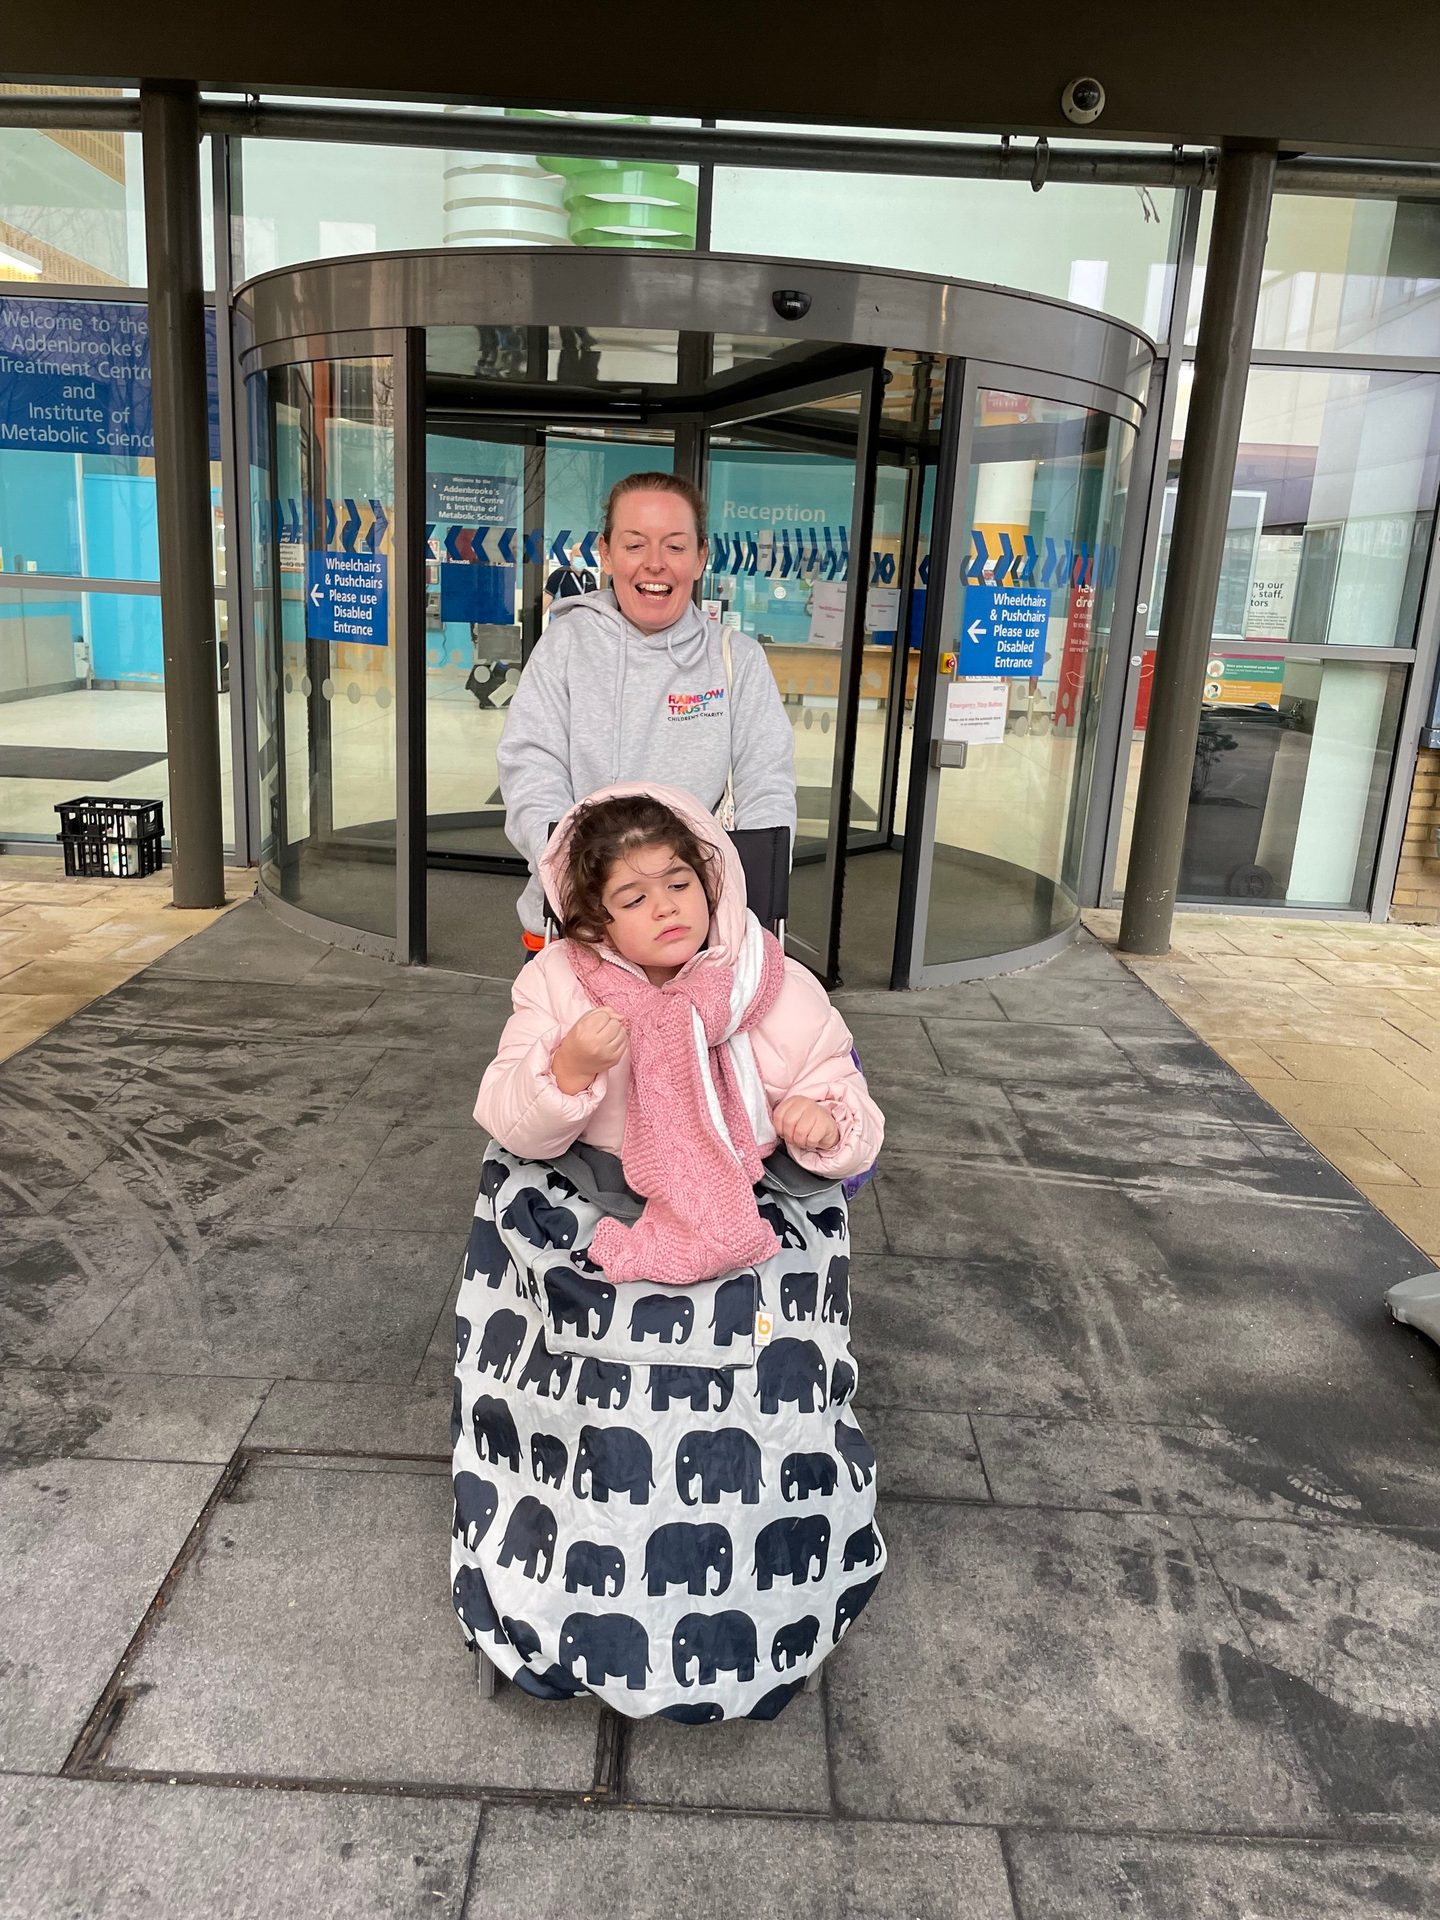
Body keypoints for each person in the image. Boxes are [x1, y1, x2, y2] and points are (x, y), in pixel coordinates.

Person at [450, 784, 885, 1721]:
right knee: (606, 1352)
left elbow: (846, 1097)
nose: (666, 909)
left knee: (754, 1353)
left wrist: (823, 1126)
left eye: (679, 882)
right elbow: (506, 1109)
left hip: (747, 1189)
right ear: (592, 917)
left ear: (713, 882)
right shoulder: (559, 984)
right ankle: (570, 1567)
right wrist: (565, 1073)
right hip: (601, 1190)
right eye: (634, 897)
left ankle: (767, 1582)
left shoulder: (770, 981)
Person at [497, 473, 796, 952]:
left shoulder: (737, 659)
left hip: (697, 932)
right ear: (607, 552)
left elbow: (767, 788)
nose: (655, 564)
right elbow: (532, 770)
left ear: (700, 557)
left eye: (675, 547)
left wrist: (730, 908)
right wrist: (586, 887)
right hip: (581, 922)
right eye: (635, 544)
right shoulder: (565, 646)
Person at [541, 542, 597, 617]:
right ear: (571, 556)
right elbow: (545, 601)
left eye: (584, 557)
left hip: (583, 624)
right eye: (578, 556)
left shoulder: (590, 577)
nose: (581, 559)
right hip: (561, 623)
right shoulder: (559, 575)